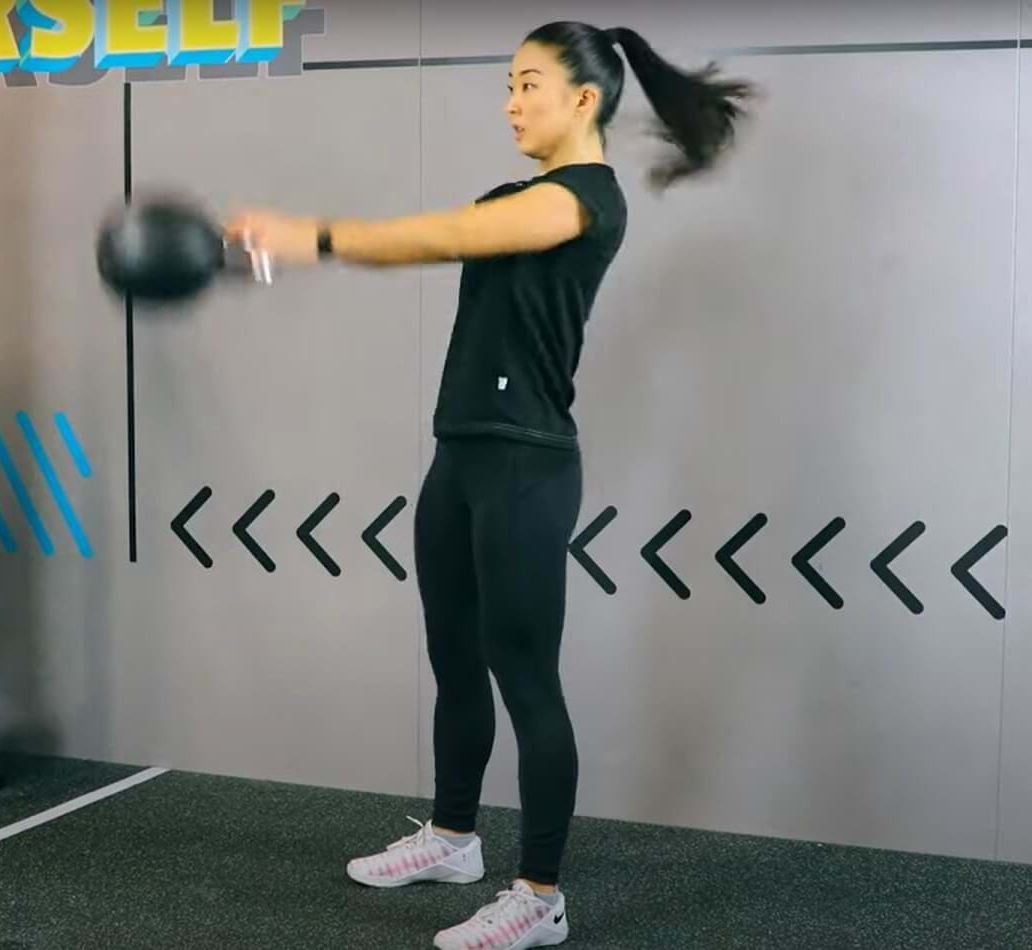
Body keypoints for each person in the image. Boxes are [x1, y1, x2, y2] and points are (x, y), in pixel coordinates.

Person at [225, 21, 754, 950]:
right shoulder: (520, 192)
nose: (510, 103)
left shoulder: (582, 198)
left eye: (528, 86)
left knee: (526, 677)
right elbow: (469, 226)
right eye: (506, 86)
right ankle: (452, 838)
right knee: (454, 657)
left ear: (583, 99)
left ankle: (541, 896)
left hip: (526, 463)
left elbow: (450, 236)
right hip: (461, 452)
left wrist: (310, 235)